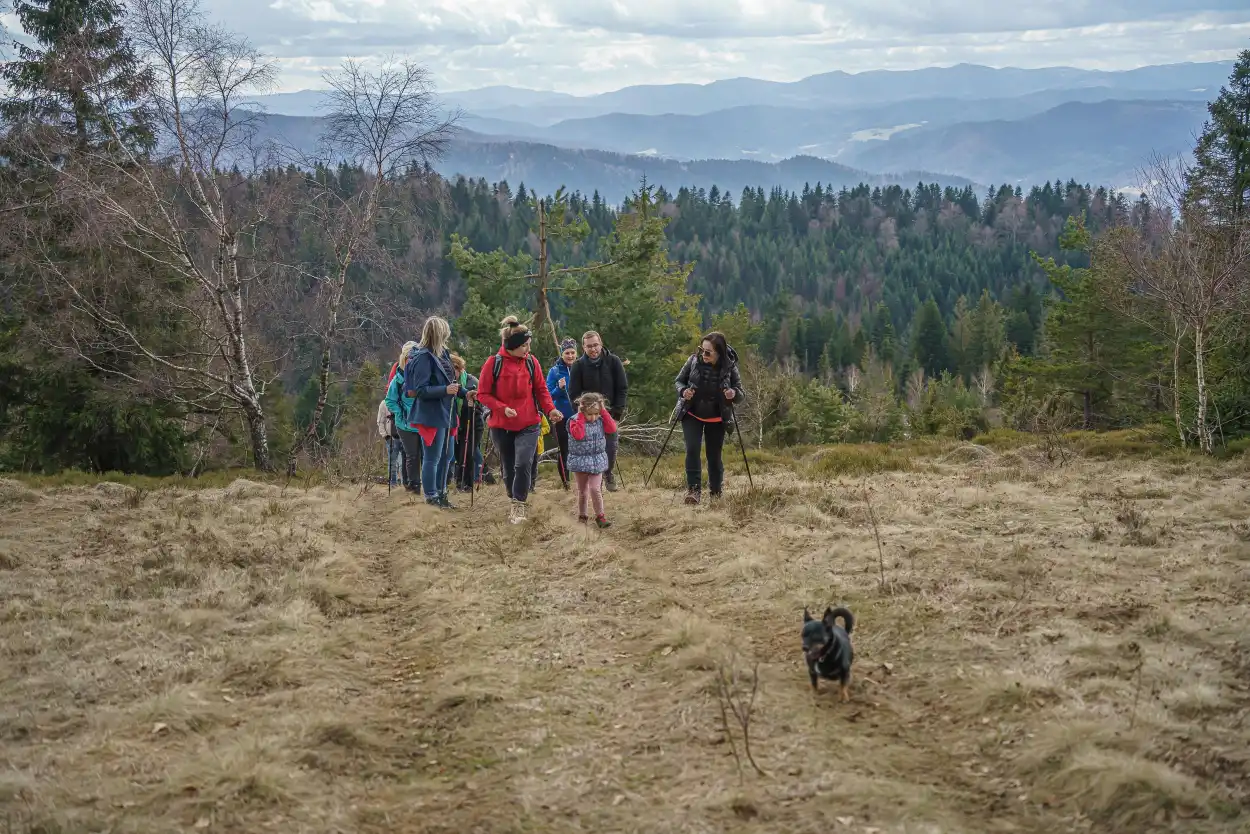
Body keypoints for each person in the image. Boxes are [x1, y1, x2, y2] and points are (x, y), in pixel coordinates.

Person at [476, 316, 563, 523]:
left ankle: (518, 506)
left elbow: (541, 390)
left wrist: (550, 410)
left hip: (529, 423)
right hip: (501, 425)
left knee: (523, 463)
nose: (528, 349)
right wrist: (501, 408)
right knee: (508, 468)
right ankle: (513, 494)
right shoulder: (493, 363)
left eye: (528, 345)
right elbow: (482, 394)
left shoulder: (532, 362)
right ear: (513, 346)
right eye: (524, 345)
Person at [393, 315, 460, 509]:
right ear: (439, 334)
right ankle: (431, 496)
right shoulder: (423, 357)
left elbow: (450, 383)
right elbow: (420, 390)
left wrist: (465, 392)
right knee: (432, 457)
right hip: (431, 413)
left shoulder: (443, 354)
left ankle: (441, 493)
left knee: (447, 455)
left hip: (445, 412)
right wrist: (445, 391)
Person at [673, 331, 745, 505]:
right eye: (701, 349)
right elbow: (678, 381)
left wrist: (733, 393)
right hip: (691, 413)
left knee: (714, 455)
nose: (702, 354)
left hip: (717, 419)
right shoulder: (693, 361)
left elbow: (741, 394)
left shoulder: (730, 367)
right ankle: (694, 491)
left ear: (719, 353)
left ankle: (716, 492)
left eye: (707, 352)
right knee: (692, 449)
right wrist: (684, 392)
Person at [568, 330, 627, 492]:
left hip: (609, 414)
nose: (593, 349)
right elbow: (573, 393)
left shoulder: (614, 362)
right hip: (587, 416)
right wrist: (582, 414)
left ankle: (608, 474)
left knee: (610, 447)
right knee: (591, 448)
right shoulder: (578, 366)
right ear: (583, 348)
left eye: (595, 345)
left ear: (601, 344)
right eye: (589, 346)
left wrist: (617, 414)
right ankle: (594, 480)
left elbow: (622, 389)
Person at [565, 392, 616, 528]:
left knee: (595, 489)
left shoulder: (600, 420)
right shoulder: (574, 420)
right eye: (590, 414)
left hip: (597, 460)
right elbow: (579, 435)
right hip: (580, 462)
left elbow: (612, 428)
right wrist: (581, 415)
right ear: (582, 411)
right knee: (583, 491)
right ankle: (583, 515)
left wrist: (603, 411)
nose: (593, 417)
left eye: (596, 413)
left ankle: (600, 516)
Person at [382, 340, 421, 494]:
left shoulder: (422, 376)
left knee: (419, 455)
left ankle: (414, 484)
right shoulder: (398, 379)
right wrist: (401, 412)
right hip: (404, 424)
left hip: (421, 421)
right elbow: (389, 400)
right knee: (411, 455)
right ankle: (413, 485)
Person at [449, 353, 484, 493]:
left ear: (459, 369)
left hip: (473, 424)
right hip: (457, 426)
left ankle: (467, 485)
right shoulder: (450, 384)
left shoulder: (471, 382)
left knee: (467, 453)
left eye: (454, 371)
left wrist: (473, 404)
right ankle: (459, 483)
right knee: (458, 455)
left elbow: (482, 403)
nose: (452, 375)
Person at [546, 338, 577, 489]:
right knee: (564, 450)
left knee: (580, 448)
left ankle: (582, 481)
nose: (570, 356)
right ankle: (566, 483)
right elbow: (548, 395)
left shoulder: (580, 368)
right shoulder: (555, 371)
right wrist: (559, 388)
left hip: (580, 416)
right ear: (562, 354)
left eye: (572, 353)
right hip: (561, 417)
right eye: (567, 353)